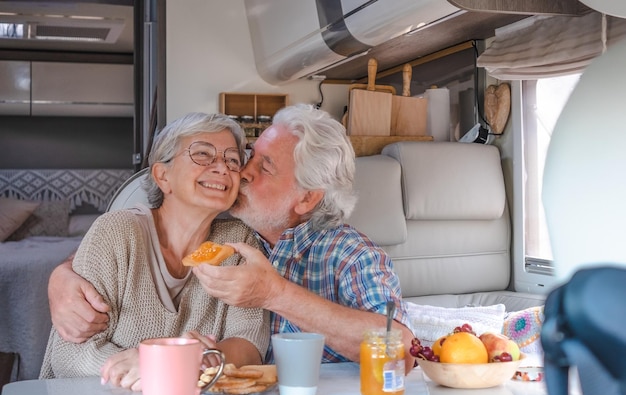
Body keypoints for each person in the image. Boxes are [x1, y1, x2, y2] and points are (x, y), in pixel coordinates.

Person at [47, 104, 416, 373]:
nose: (237, 172)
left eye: (263, 167)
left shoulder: (345, 254)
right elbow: (126, 242)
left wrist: (273, 294)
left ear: (307, 198)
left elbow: (400, 351)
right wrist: (61, 273)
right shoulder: (233, 228)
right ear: (162, 176)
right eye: (251, 156)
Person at [39, 112, 269, 391]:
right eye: (202, 155)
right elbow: (68, 356)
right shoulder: (117, 231)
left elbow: (249, 341)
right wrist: (163, 367)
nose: (222, 168)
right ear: (163, 176)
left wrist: (194, 361)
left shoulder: (238, 241)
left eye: (232, 159)